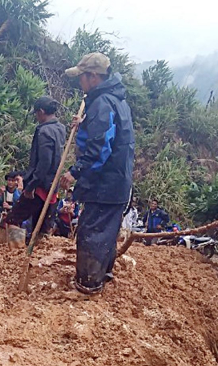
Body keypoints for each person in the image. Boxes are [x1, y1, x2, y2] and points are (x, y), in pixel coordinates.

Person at [60, 52, 135, 294]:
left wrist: (75, 172)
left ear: (93, 77)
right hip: (117, 182)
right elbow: (104, 135)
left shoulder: (103, 104)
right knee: (106, 230)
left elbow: (100, 148)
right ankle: (103, 274)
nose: (79, 81)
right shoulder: (115, 100)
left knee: (92, 232)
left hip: (105, 185)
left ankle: (88, 284)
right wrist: (84, 123)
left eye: (81, 76)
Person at [6, 96, 67, 240]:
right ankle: (36, 257)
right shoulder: (61, 128)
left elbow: (44, 163)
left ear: (41, 112)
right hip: (53, 186)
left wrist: (30, 186)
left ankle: (12, 256)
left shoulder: (44, 131)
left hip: (39, 186)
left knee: (12, 220)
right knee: (41, 229)